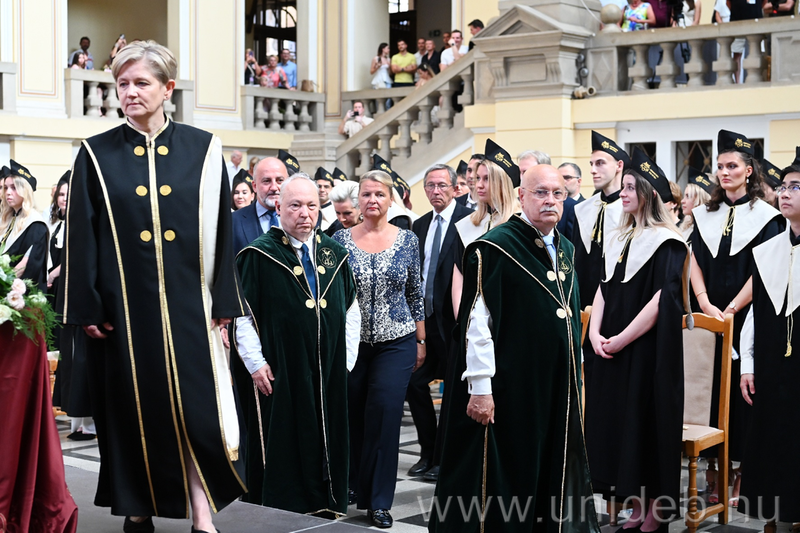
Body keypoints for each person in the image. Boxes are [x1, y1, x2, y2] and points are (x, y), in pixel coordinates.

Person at [61, 41, 248, 533]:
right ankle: (137, 508)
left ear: (168, 89)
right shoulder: (95, 154)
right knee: (131, 411)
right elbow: (83, 237)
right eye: (122, 83)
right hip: (123, 312)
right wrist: (86, 307)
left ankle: (202, 513)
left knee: (196, 412)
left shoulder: (203, 149)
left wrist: (224, 300)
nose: (130, 92)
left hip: (192, 308)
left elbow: (222, 231)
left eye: (141, 82)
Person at [430, 164, 599, 533]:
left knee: (551, 468)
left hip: (556, 387)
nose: (550, 200)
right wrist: (480, 388)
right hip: (510, 388)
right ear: (521, 196)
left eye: (557, 193)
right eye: (541, 192)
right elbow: (477, 323)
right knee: (510, 473)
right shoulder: (495, 247)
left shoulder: (566, 248)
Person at [233, 174, 360, 516]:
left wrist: (344, 360)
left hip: (328, 366)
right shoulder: (258, 255)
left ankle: (325, 501)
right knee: (286, 434)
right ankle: (282, 505)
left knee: (325, 433)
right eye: (295, 205)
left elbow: (351, 309)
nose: (305, 213)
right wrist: (255, 363)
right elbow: (242, 315)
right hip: (280, 366)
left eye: (312, 205)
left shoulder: (335, 254)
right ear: (278, 207)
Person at [586, 149, 688, 533]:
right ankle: (635, 501)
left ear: (648, 194)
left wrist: (622, 339)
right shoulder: (619, 236)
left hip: (646, 349)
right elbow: (603, 287)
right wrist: (594, 333)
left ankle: (656, 506)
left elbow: (663, 300)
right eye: (624, 186)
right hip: (611, 344)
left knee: (645, 422)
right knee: (619, 422)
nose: (624, 193)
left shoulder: (668, 242)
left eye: (631, 187)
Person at [689, 129, 782, 507]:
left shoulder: (767, 217)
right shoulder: (704, 214)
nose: (724, 172)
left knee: (740, 395)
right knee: (708, 391)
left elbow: (765, 269)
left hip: (746, 317)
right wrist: (705, 303)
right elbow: (692, 260)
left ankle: (741, 471)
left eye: (732, 166)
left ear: (749, 171)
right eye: (720, 166)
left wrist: (730, 310)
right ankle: (714, 469)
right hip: (708, 313)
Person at [333, 170, 425, 529]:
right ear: (358, 200)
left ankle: (379, 501)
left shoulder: (408, 240)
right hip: (352, 343)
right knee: (354, 414)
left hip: (397, 340)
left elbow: (415, 293)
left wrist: (420, 341)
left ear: (391, 200)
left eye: (379, 194)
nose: (373, 200)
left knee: (385, 413)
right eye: (367, 194)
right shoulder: (339, 239)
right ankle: (355, 484)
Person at [739, 147, 800, 531]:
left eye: (795, 187)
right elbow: (755, 314)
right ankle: (776, 517)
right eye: (783, 186)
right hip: (773, 367)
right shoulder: (767, 251)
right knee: (773, 442)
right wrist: (747, 363)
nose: (785, 192)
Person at [406, 165, 472, 482]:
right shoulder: (420, 224)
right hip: (425, 321)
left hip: (452, 320)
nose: (435, 191)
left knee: (454, 389)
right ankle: (428, 451)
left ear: (455, 188)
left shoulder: (467, 221)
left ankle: (447, 458)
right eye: (430, 186)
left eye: (442, 185)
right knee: (414, 383)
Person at [572, 131, 630, 307]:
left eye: (600, 163)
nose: (592, 170)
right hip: (584, 299)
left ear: (619, 165)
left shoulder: (631, 209)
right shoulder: (583, 209)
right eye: (591, 164)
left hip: (619, 300)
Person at [1, 160, 48, 291]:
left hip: (21, 290)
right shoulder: (9, 219)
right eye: (6, 188)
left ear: (24, 191)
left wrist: (4, 283)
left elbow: (26, 264)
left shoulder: (35, 223)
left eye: (14, 188)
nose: (8, 192)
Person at [231, 156, 287, 255]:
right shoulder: (233, 221)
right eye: (267, 181)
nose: (274, 187)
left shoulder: (302, 218)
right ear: (254, 186)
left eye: (279, 180)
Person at [678, 168, 714, 242]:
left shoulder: (708, 230)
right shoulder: (686, 225)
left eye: (688, 196)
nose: (682, 201)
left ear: (700, 200)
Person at [314, 167, 336, 231]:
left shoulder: (336, 211)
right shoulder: (307, 208)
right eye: (319, 186)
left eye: (326, 187)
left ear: (332, 189)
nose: (322, 190)